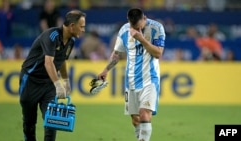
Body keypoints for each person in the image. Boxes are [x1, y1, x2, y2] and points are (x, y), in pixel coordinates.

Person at [98, 8, 165, 141]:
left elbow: (158, 53)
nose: (136, 30)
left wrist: (141, 39)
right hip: (131, 80)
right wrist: (106, 70)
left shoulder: (157, 28)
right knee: (135, 120)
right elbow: (117, 53)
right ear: (129, 22)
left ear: (144, 19)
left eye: (139, 27)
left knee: (144, 114)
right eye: (133, 27)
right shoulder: (124, 30)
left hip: (149, 79)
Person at [18, 10, 86, 141]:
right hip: (30, 82)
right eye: (82, 26)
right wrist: (58, 84)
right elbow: (48, 62)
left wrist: (65, 80)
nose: (83, 30)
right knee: (29, 123)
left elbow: (61, 61)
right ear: (72, 26)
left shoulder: (70, 42)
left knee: (52, 121)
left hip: (48, 84)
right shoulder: (51, 35)